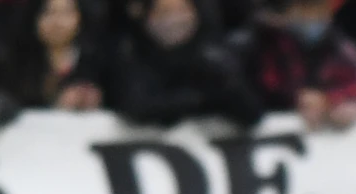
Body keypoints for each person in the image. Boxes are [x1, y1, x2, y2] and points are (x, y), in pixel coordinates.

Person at [109, 0, 261, 127]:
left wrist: (226, 86)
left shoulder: (213, 56)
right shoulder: (131, 55)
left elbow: (251, 112)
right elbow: (137, 107)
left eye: (182, 11)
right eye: (165, 12)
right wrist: (197, 100)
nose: (175, 19)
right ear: (147, 17)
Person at [250, 0, 356, 131]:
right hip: (284, 128)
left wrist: (331, 101)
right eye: (303, 9)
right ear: (290, 11)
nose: (309, 16)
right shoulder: (276, 47)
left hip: (337, 131)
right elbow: (267, 91)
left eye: (316, 10)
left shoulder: (345, 51)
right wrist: (299, 99)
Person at [0, 0, 104, 110]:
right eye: (48, 12)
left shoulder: (96, 62)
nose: (57, 22)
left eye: (66, 12)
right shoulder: (18, 62)